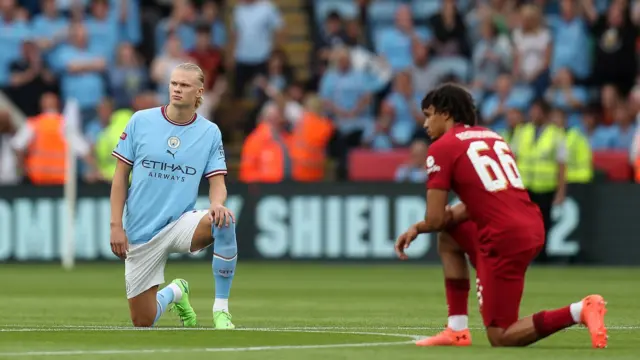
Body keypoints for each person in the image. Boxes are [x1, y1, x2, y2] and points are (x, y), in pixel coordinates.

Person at [394, 84, 607, 348]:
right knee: (450, 238)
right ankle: (457, 331)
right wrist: (421, 226)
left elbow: (436, 219)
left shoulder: (441, 148)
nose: (425, 123)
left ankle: (580, 309)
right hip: (530, 224)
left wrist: (420, 227)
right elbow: (475, 205)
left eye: (429, 114)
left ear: (446, 114)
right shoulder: (492, 136)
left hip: (503, 237)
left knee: (501, 335)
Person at [109, 63, 238, 329]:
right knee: (143, 321)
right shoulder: (140, 121)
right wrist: (115, 226)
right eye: (174, 84)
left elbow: (217, 182)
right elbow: (120, 175)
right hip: (140, 233)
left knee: (224, 221)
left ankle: (221, 311)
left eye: (184, 85)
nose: (177, 89)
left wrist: (216, 204)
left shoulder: (210, 132)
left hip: (180, 223)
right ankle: (176, 292)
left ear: (199, 92)